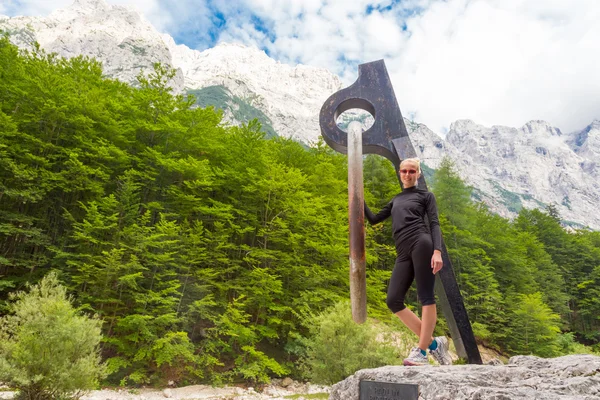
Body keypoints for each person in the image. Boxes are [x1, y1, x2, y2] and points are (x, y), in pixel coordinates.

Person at [364, 157, 452, 366]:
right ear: (400, 173)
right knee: (393, 300)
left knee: (426, 296)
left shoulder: (426, 196)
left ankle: (421, 352)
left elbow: (435, 223)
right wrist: (358, 199)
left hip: (422, 243)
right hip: (402, 251)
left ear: (418, 174)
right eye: (404, 171)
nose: (407, 174)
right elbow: (374, 219)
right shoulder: (396, 199)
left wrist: (437, 251)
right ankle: (433, 345)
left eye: (412, 171)